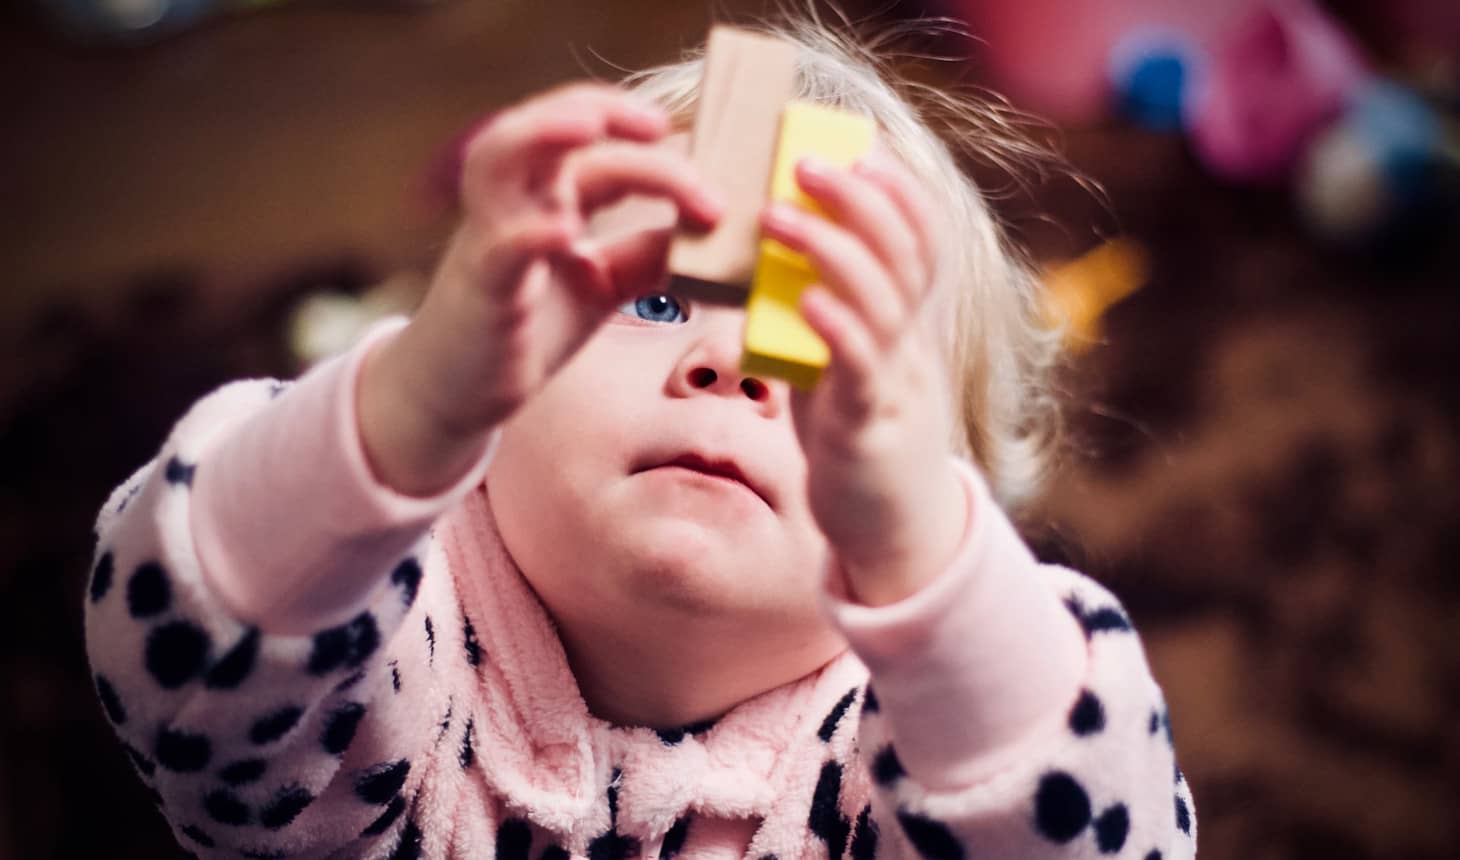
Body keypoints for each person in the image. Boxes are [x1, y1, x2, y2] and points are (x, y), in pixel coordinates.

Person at [84, 15, 1197, 860]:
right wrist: (409, 407)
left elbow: (1090, 827)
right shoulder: (386, 648)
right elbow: (185, 649)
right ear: (496, 392)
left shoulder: (906, 755)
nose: (727, 366)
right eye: (656, 301)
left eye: (820, 348)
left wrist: (932, 574)